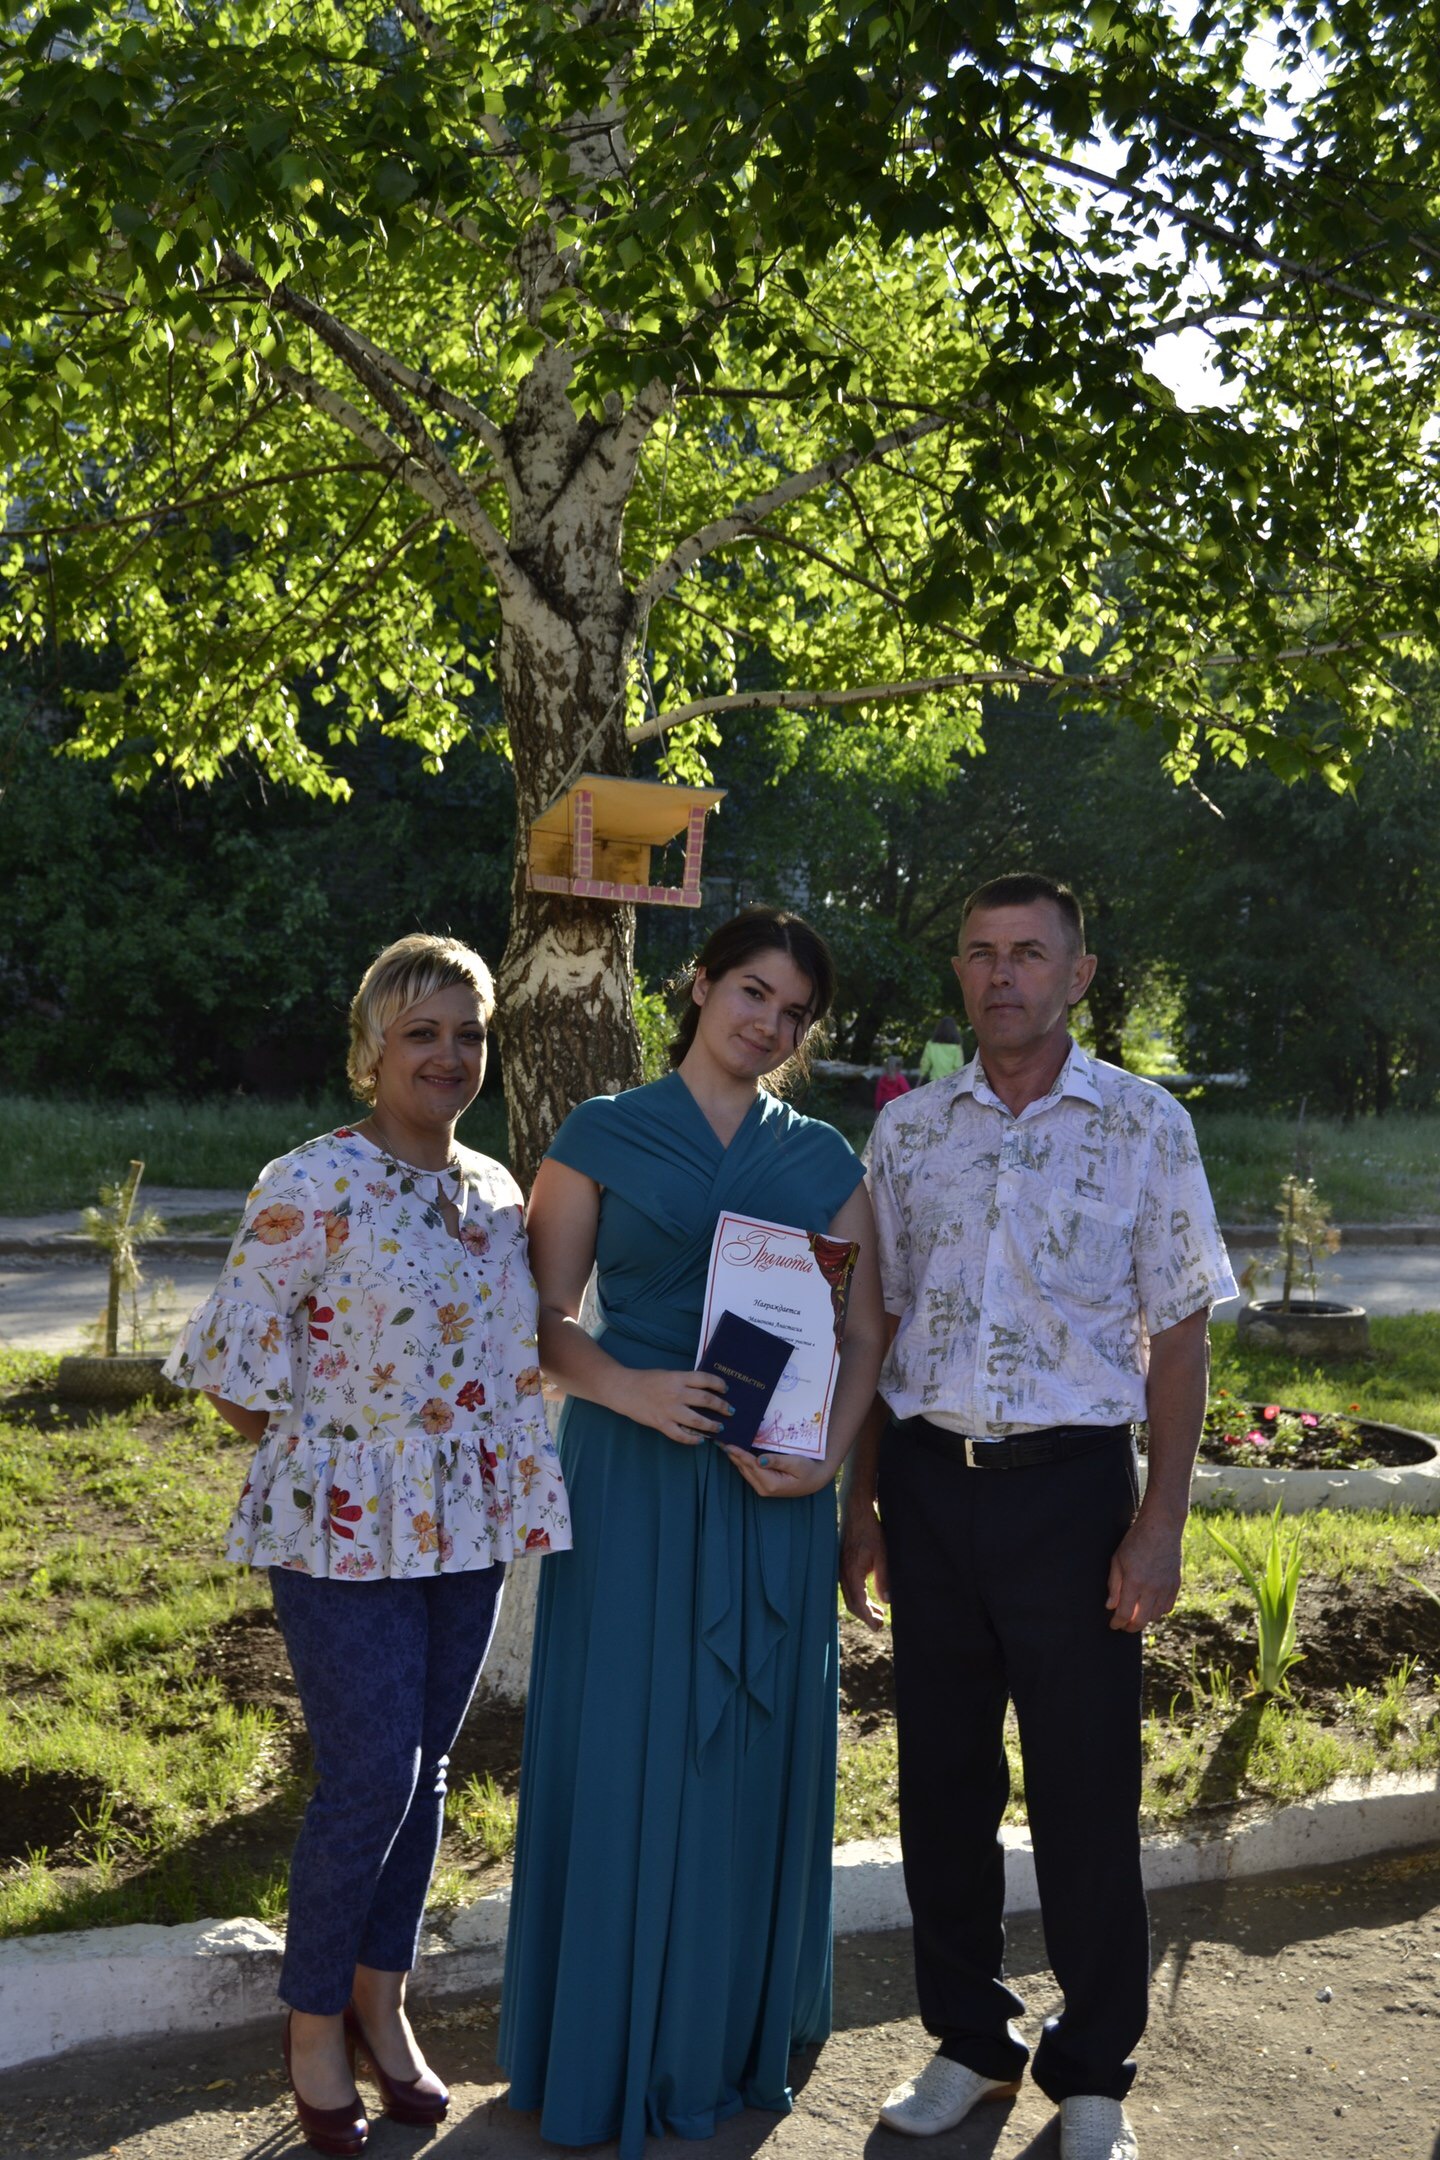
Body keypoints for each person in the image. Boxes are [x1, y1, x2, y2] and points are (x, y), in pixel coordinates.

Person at [841, 874, 1235, 2160]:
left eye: (1028, 953)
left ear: (1078, 973)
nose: (1001, 975)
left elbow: (1181, 1339)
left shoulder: (1144, 1125)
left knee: (1084, 1790)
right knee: (942, 1785)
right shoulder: (909, 1132)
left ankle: (1094, 2069)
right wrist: (864, 1502)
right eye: (980, 953)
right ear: (959, 972)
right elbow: (875, 1326)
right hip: (928, 1486)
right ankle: (970, 2041)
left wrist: (1159, 1524)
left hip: (1072, 1498)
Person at [164, 933, 570, 2159]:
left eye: (468, 1034)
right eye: (421, 1033)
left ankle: (380, 2004)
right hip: (340, 1529)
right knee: (369, 1779)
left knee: (427, 1773)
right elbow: (231, 1366)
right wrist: (337, 1452)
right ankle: (310, 2029)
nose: (448, 1055)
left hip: (468, 1524)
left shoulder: (495, 1192)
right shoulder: (312, 1179)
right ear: (372, 1049)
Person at [498, 907, 886, 2158]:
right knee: (623, 1743)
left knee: (743, 1755)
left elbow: (865, 1333)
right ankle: (606, 2040)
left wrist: (823, 1468)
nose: (769, 1024)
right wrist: (630, 1389)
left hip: (771, 1492)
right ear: (702, 984)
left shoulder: (824, 1157)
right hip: (629, 1472)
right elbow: (539, 1317)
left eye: (795, 1012)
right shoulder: (600, 1131)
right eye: (753, 992)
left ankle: (722, 2036)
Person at [916, 1013, 963, 1086]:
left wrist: (919, 1080)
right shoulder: (956, 1046)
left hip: (934, 1082)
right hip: (951, 1082)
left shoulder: (931, 1044)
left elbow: (925, 1063)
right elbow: (958, 1066)